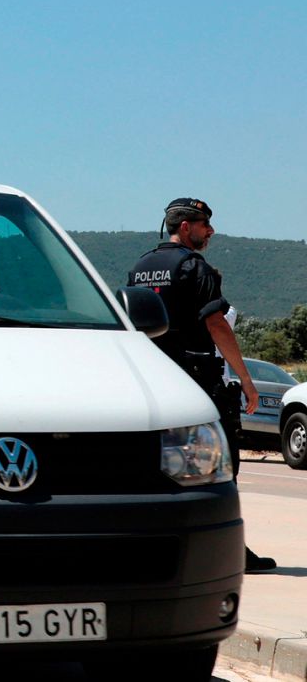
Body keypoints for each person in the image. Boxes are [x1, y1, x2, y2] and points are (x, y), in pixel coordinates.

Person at [128, 197, 274, 573]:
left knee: (157, 463)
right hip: (196, 378)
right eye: (205, 224)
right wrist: (244, 378)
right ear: (185, 226)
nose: (210, 231)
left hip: (154, 377)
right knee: (221, 463)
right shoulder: (196, 267)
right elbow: (216, 323)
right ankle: (229, 551)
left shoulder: (141, 267)